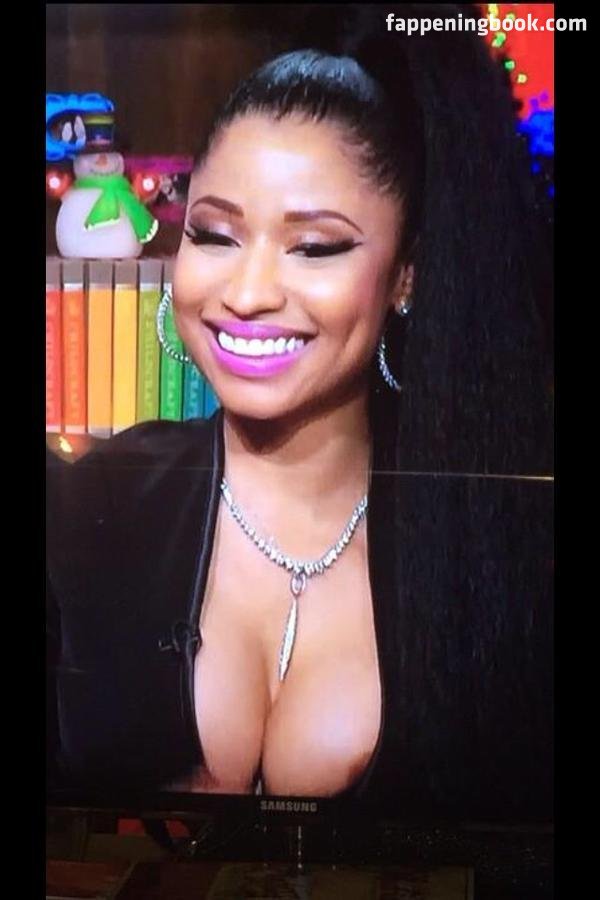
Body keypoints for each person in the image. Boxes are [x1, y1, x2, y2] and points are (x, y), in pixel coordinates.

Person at [47, 4, 553, 820]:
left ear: (407, 275)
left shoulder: (484, 538)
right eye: (214, 235)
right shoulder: (91, 506)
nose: (247, 293)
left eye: (314, 247)